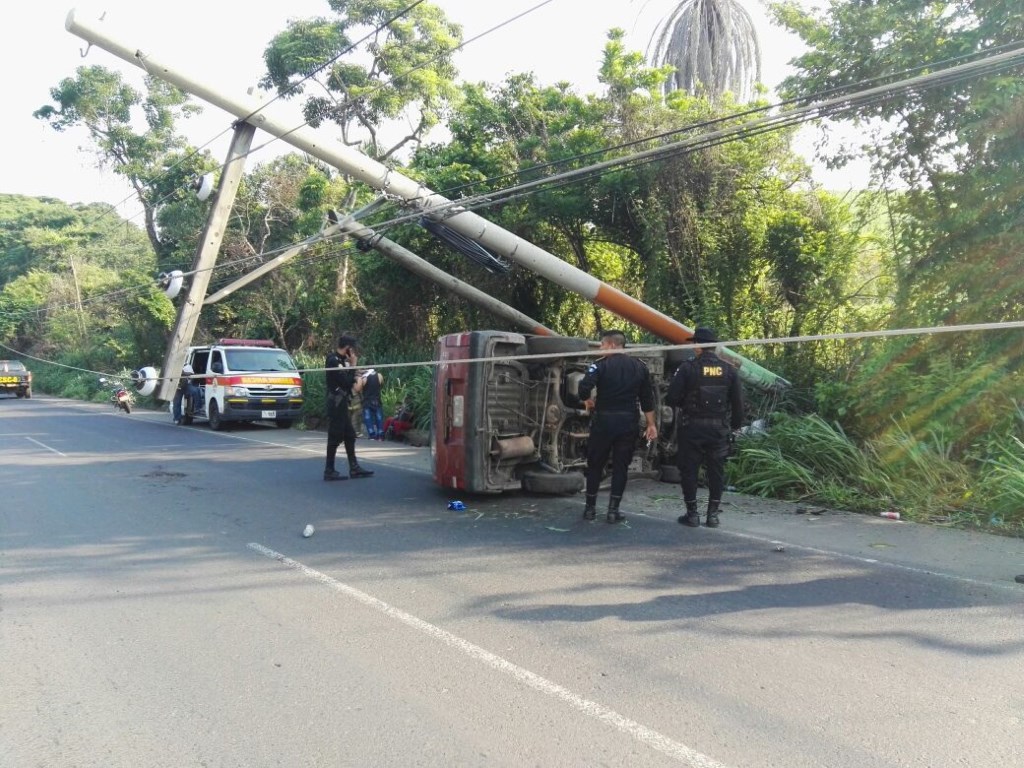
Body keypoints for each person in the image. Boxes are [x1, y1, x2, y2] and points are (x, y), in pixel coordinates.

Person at [665, 327, 744, 528]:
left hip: (692, 428)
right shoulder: (729, 370)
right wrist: (733, 426)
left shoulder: (687, 368)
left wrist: (684, 404)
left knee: (689, 471)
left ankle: (692, 514)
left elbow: (672, 398)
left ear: (698, 345)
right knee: (716, 472)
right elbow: (738, 404)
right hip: (718, 430)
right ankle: (713, 515)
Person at [577, 329, 658, 524]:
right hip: (627, 423)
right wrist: (651, 424)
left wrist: (587, 400)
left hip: (604, 422)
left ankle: (590, 509)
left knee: (595, 464)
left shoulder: (600, 366)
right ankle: (613, 511)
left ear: (613, 345)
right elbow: (647, 399)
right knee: (621, 467)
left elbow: (583, 387)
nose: (600, 348)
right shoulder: (639, 367)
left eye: (602, 345)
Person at [323, 335, 374, 480]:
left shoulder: (342, 361)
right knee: (334, 437)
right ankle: (329, 470)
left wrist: (352, 368)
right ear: (348, 348)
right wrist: (353, 365)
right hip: (336, 404)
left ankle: (354, 468)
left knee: (350, 435)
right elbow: (346, 382)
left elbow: (349, 380)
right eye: (352, 349)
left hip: (342, 403)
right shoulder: (333, 360)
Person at [360, 367, 385, 440]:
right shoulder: (379, 375)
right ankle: (380, 434)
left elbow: (360, 389)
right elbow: (381, 384)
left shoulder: (364, 377)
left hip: (367, 400)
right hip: (377, 400)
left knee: (368, 418)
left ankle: (372, 435)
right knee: (379, 417)